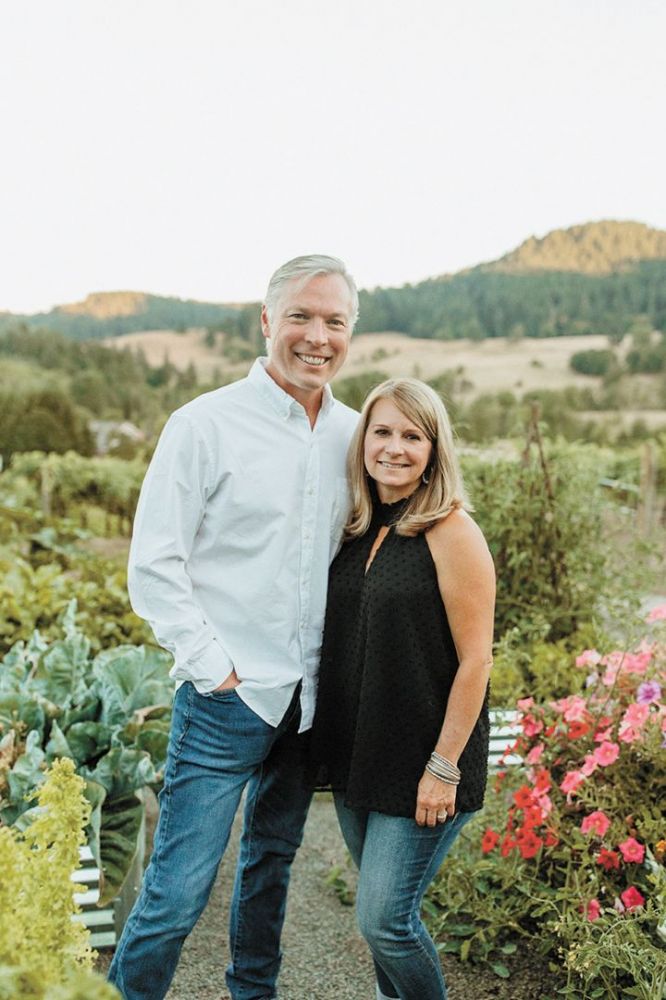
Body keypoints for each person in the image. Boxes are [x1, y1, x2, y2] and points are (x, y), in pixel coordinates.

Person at [108, 255, 360, 1000]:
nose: (318, 336)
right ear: (266, 322)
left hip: (308, 706)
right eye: (301, 317)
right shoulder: (204, 425)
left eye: (335, 322)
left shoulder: (356, 435)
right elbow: (154, 565)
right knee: (176, 896)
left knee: (270, 873)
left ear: (352, 332)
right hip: (226, 701)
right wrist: (214, 668)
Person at [310, 378, 495, 1000]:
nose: (394, 448)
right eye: (382, 432)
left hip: (426, 761)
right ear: (363, 440)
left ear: (434, 448)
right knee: (384, 915)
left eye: (412, 436)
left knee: (384, 921)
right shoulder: (361, 524)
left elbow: (476, 662)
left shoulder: (451, 530)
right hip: (361, 755)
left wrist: (442, 768)